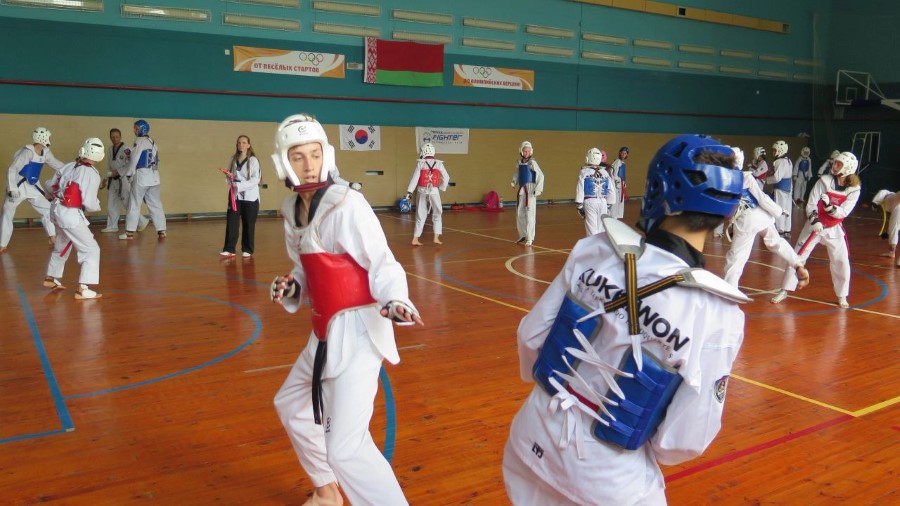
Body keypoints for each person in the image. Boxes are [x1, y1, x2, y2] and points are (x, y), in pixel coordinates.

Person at [503, 134, 753, 505]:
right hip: (608, 481)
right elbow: (684, 439)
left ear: (658, 189)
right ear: (726, 213)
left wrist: (554, 390)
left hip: (529, 441)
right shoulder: (718, 314)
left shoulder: (595, 250)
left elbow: (531, 336)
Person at [268, 113, 422, 506]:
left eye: (314, 154)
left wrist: (395, 299)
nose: (309, 164)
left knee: (347, 449)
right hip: (323, 333)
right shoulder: (292, 210)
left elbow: (382, 261)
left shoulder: (347, 203)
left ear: (327, 155)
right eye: (298, 156)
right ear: (284, 162)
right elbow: (305, 267)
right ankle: (327, 492)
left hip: (358, 333)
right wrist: (292, 286)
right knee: (291, 404)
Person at [771, 152, 861, 308]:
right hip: (814, 226)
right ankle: (784, 289)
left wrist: (829, 207)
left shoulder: (854, 189)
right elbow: (811, 204)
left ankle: (842, 295)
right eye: (835, 163)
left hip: (834, 228)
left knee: (841, 261)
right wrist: (815, 220)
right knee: (797, 256)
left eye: (839, 164)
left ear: (848, 168)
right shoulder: (824, 181)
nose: (834, 166)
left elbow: (843, 212)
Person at [722, 147, 809, 288]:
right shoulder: (746, 177)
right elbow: (761, 198)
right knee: (776, 241)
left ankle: (728, 293)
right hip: (759, 215)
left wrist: (778, 210)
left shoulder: (721, 181)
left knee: (735, 261)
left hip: (745, 221)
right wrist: (778, 210)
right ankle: (797, 264)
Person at [43, 138, 104, 299]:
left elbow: (50, 185)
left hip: (56, 210)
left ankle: (51, 277)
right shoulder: (91, 173)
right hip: (70, 214)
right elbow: (90, 203)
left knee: (63, 243)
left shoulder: (69, 166)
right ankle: (83, 288)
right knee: (91, 249)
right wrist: (96, 206)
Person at [1, 127, 65, 253]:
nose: (50, 139)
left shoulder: (46, 152)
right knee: (7, 212)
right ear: (42, 138)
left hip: (33, 186)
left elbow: (57, 164)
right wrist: (12, 188)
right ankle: (2, 243)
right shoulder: (27, 152)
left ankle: (52, 237)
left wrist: (71, 169)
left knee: (48, 209)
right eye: (48, 137)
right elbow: (12, 169)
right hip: (19, 186)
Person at [119, 119, 166, 240]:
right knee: (155, 204)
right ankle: (162, 230)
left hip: (142, 177)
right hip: (154, 177)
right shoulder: (152, 142)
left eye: (136, 128)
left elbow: (135, 159)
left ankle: (129, 232)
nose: (134, 130)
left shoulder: (139, 141)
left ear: (142, 129)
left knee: (134, 203)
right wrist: (131, 151)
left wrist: (129, 174)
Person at [100, 128, 149, 233]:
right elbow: (109, 165)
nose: (114, 139)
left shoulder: (126, 149)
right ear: (110, 138)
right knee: (111, 203)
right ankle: (112, 226)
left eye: (116, 137)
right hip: (112, 180)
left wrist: (118, 172)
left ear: (120, 137)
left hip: (123, 180)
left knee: (127, 202)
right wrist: (105, 178)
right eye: (112, 137)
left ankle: (142, 221)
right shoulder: (110, 149)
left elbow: (131, 164)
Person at [220, 135, 261, 257]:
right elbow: (230, 175)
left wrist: (239, 185)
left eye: (244, 142)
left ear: (248, 145)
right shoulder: (233, 159)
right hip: (235, 196)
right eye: (239, 143)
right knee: (232, 222)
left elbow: (256, 179)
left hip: (250, 197)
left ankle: (247, 250)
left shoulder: (253, 160)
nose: (241, 145)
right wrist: (229, 178)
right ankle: (229, 249)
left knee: (248, 223)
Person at [404, 142, 450, 246]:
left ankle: (415, 239)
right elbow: (447, 177)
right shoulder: (439, 164)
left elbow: (415, 179)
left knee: (420, 214)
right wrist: (442, 187)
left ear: (424, 152)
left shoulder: (421, 163)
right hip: (434, 191)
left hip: (422, 190)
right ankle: (436, 237)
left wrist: (409, 192)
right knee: (437, 212)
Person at [574, 147, 615, 236]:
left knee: (591, 230)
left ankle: (593, 244)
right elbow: (611, 191)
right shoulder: (605, 172)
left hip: (590, 202)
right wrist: (608, 205)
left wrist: (579, 206)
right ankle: (600, 244)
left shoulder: (584, 172)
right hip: (603, 202)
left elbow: (580, 189)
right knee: (601, 230)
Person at [510, 141, 544, 246]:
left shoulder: (532, 163)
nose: (526, 153)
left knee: (530, 214)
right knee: (520, 213)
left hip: (530, 189)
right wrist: (514, 181)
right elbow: (518, 173)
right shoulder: (520, 163)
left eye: (528, 151)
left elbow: (540, 175)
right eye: (525, 151)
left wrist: (538, 189)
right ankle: (523, 235)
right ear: (521, 151)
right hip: (522, 189)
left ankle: (530, 237)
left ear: (531, 152)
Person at [768, 140, 793, 237]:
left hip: (780, 188)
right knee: (787, 208)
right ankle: (787, 229)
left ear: (780, 150)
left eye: (774, 150)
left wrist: (766, 180)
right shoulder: (788, 160)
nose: (773, 152)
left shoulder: (779, 161)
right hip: (788, 187)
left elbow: (776, 178)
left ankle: (780, 229)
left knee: (779, 208)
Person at [872, 189, 900, 266]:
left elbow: (875, 203)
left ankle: (892, 252)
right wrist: (888, 234)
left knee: (893, 228)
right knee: (893, 228)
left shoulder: (885, 193)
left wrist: (874, 205)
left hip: (893, 199)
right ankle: (891, 252)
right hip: (894, 202)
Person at [609, 146, 629, 219]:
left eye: (625, 153)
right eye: (622, 153)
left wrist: (623, 183)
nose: (623, 155)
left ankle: (616, 217)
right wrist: (617, 182)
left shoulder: (622, 163)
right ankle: (613, 217)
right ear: (620, 153)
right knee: (615, 202)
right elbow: (614, 174)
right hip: (616, 186)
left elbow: (621, 175)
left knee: (619, 202)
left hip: (620, 185)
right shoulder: (617, 162)